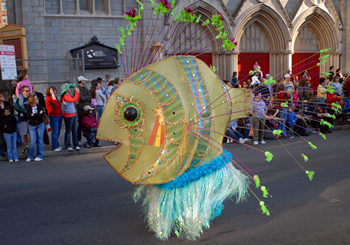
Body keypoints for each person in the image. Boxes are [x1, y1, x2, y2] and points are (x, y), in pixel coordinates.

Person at [26, 94, 45, 162]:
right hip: (32, 125)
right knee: (33, 141)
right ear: (33, 100)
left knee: (40, 141)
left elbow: (42, 115)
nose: (38, 100)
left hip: (40, 124)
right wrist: (37, 115)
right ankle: (30, 156)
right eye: (36, 99)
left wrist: (34, 115)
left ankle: (39, 155)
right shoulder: (28, 107)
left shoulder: (40, 106)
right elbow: (28, 116)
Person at [61, 83, 80, 151]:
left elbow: (77, 99)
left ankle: (76, 144)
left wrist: (77, 93)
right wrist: (77, 92)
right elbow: (74, 100)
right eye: (69, 88)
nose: (70, 89)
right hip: (68, 115)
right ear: (66, 89)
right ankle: (67, 145)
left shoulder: (69, 95)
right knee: (68, 131)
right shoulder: (65, 96)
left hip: (73, 114)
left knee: (74, 130)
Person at [45, 86, 63, 152]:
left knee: (57, 132)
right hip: (53, 116)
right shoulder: (49, 98)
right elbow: (54, 103)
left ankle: (57, 145)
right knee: (55, 132)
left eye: (55, 91)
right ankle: (54, 146)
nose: (55, 92)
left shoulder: (55, 98)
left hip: (59, 116)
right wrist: (52, 95)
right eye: (53, 91)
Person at [76, 76, 91, 146]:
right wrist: (87, 97)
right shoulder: (77, 88)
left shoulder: (85, 88)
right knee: (80, 125)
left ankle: (89, 140)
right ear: (81, 81)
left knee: (87, 123)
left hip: (86, 108)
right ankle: (78, 140)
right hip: (81, 108)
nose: (85, 81)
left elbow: (90, 96)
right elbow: (80, 98)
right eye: (84, 80)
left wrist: (86, 97)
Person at [15, 86, 31, 154]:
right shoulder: (19, 99)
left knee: (31, 133)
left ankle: (31, 146)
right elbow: (17, 107)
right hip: (23, 118)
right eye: (26, 91)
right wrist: (24, 111)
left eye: (28, 90)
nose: (28, 92)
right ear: (22, 91)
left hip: (30, 118)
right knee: (24, 134)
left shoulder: (30, 98)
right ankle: (26, 146)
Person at [0, 93, 10, 157]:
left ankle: (6, 150)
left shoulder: (6, 103)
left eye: (3, 96)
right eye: (1, 96)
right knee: (1, 139)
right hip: (1, 122)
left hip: (6, 121)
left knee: (6, 138)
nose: (3, 97)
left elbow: (10, 109)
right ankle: (2, 151)